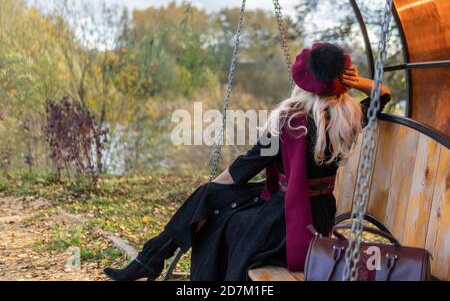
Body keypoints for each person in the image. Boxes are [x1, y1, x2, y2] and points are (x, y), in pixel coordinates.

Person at [103, 42, 391, 281]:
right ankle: (150, 260)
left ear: (302, 84)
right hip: (319, 214)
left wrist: (211, 190)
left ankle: (150, 259)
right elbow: (384, 95)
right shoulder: (348, 120)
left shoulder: (289, 124)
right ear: (343, 83)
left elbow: (242, 170)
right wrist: (359, 82)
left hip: (285, 220)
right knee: (212, 199)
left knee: (211, 201)